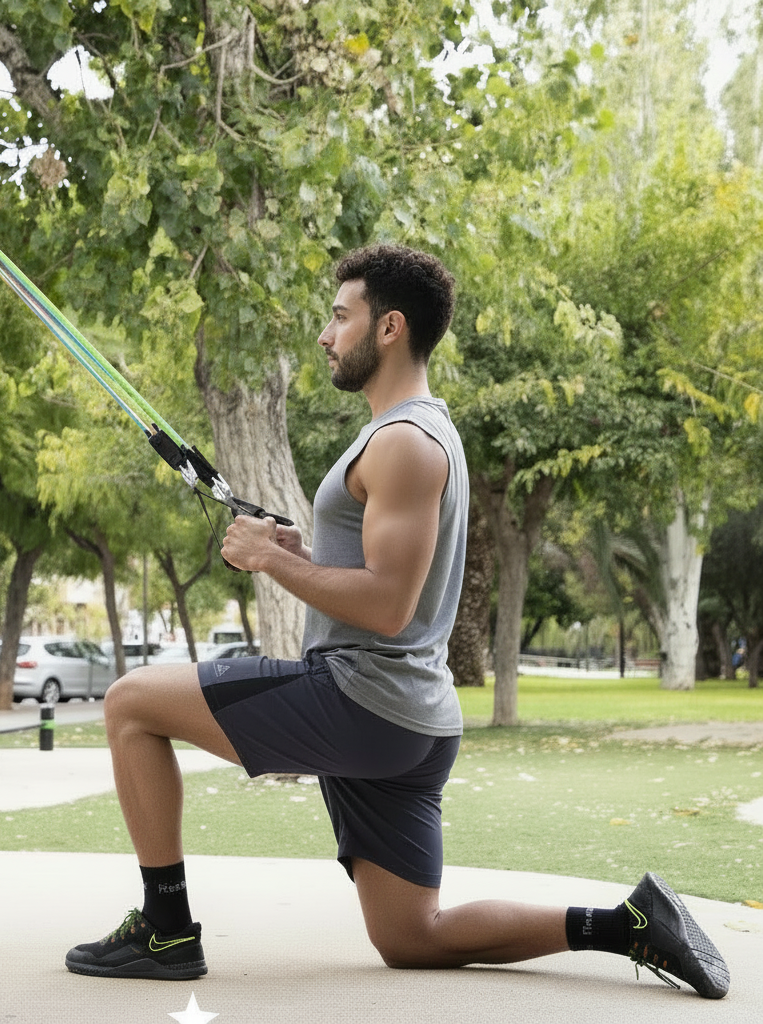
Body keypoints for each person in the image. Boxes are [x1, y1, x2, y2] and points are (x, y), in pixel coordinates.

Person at [64, 244, 730, 999]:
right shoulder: (413, 432)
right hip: (410, 721)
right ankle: (625, 925)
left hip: (361, 702)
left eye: (340, 316)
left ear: (388, 328)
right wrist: (302, 549)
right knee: (413, 937)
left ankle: (166, 931)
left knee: (129, 705)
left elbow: (388, 605)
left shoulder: (406, 442)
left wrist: (272, 562)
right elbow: (384, 574)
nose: (325, 334)